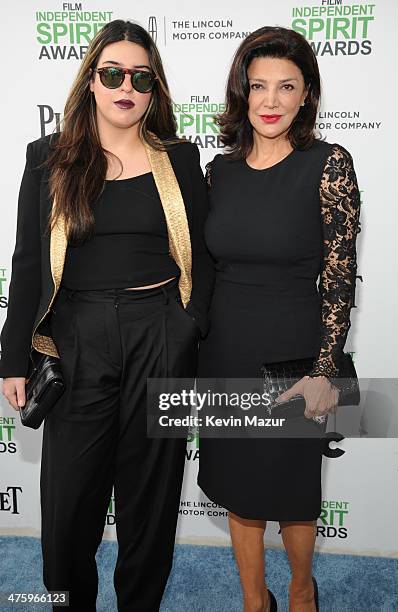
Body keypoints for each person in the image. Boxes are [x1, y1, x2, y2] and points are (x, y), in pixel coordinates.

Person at [0, 19, 213, 612]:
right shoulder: (49, 158)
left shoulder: (179, 158)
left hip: (160, 335)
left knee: (151, 497)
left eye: (140, 77)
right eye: (112, 73)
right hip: (78, 337)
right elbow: (25, 263)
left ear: (154, 88)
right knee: (70, 503)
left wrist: (186, 325)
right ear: (90, 80)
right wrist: (12, 356)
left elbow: (205, 254)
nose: (126, 86)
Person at [197, 26, 361, 612]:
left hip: (295, 354)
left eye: (285, 86)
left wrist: (325, 369)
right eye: (258, 85)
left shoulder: (328, 164)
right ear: (241, 93)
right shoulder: (218, 171)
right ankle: (251, 599)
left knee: (292, 493)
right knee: (239, 491)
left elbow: (340, 276)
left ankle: (298, 590)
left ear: (306, 94)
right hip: (224, 352)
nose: (270, 101)